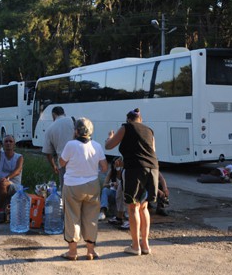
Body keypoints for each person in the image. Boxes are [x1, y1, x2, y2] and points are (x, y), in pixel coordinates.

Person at [105, 108, 158, 256]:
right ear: (140, 120)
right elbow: (150, 152)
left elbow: (109, 146)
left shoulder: (126, 127)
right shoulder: (149, 130)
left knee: (133, 207)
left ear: (128, 120)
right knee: (144, 207)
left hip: (135, 171)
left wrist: (110, 137)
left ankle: (135, 246)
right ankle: (145, 244)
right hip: (152, 169)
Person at [59, 117, 108, 260]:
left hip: (72, 185)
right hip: (92, 185)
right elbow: (104, 168)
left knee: (72, 217)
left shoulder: (70, 145)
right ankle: (91, 251)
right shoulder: (97, 146)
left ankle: (73, 252)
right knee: (91, 218)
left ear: (76, 131)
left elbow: (61, 163)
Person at [43, 106, 75, 189]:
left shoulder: (49, 129)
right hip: (78, 160)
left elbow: (48, 153)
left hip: (63, 163)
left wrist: (54, 166)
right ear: (64, 113)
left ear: (53, 114)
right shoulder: (73, 121)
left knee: (66, 190)